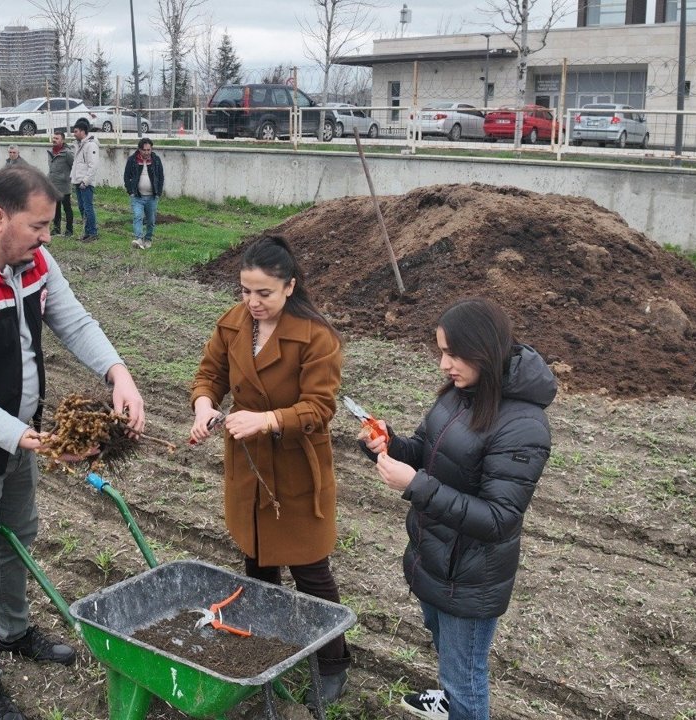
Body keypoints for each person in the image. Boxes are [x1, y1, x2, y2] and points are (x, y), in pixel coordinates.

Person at [0, 164, 146, 720]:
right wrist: (34, 441)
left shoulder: (34, 261)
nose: (47, 237)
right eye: (37, 226)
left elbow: (74, 320)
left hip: (21, 436)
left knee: (18, 534)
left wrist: (118, 373)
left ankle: (14, 631)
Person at [360, 298, 556, 720]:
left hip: (469, 576)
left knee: (464, 678)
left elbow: (499, 519)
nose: (444, 365)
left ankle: (459, 706)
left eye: (453, 353)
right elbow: (427, 450)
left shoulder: (523, 426)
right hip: (434, 556)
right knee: (448, 652)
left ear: (484, 350)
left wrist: (415, 486)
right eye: (441, 352)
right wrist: (389, 444)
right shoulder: (460, 393)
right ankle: (449, 701)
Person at [189, 236, 351, 708]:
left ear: (290, 286)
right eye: (246, 291)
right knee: (256, 558)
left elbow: (320, 407)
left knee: (310, 569)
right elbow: (210, 374)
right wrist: (204, 406)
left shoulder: (316, 337)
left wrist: (267, 420)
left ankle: (334, 661)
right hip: (249, 465)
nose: (253, 302)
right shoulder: (233, 323)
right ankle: (266, 643)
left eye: (265, 293)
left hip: (296, 468)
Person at [122, 138, 164, 250]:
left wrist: (158, 192)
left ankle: (148, 239)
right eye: (144, 150)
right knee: (137, 216)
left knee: (151, 220)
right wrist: (130, 191)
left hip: (152, 197)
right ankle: (139, 239)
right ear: (139, 149)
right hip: (137, 196)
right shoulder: (132, 160)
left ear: (151, 149)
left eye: (148, 150)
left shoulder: (156, 160)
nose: (146, 152)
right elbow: (126, 176)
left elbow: (161, 177)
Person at [69, 118, 100, 242]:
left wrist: (85, 181)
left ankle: (92, 232)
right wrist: (73, 178)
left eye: (76, 131)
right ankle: (87, 231)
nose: (74, 134)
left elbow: (93, 165)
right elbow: (77, 164)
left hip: (85, 183)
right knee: (82, 208)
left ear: (83, 131)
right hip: (78, 181)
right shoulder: (79, 145)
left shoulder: (91, 145)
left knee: (88, 208)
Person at [46, 132, 74, 237]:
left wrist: (67, 178)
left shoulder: (67, 153)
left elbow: (74, 166)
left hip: (64, 185)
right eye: (54, 138)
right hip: (53, 185)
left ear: (62, 140)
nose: (54, 140)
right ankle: (56, 229)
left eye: (57, 138)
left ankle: (69, 230)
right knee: (55, 208)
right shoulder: (50, 152)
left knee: (67, 208)